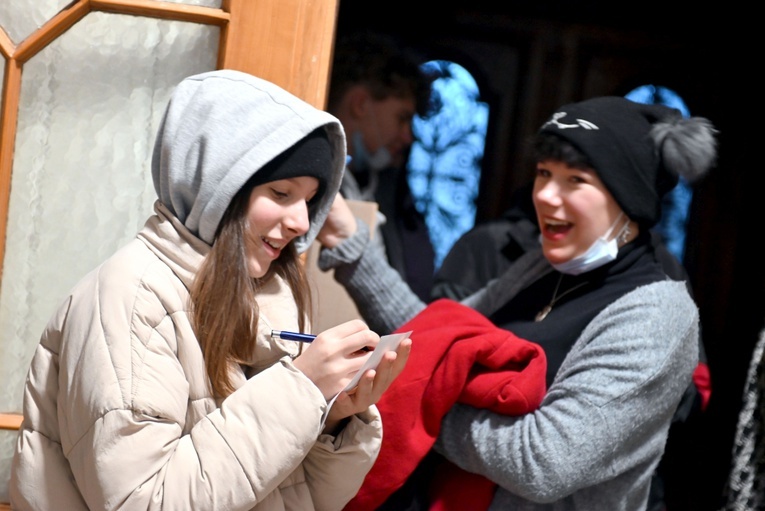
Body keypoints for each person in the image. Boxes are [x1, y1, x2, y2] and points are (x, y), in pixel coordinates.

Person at [9, 69, 411, 511]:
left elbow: (303, 499)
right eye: (281, 192)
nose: (300, 221)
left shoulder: (265, 305)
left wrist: (331, 418)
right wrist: (301, 392)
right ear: (218, 186)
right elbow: (144, 502)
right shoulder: (133, 297)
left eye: (309, 200)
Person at [316, 96, 718, 509]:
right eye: (544, 173)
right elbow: (435, 338)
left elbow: (543, 461)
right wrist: (351, 244)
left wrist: (423, 396)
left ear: (628, 197)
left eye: (575, 180)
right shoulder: (541, 268)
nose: (545, 194)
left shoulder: (655, 316)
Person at [326, 31, 436, 301]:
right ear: (361, 104)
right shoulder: (315, 174)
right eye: (402, 118)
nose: (408, 136)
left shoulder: (382, 184)